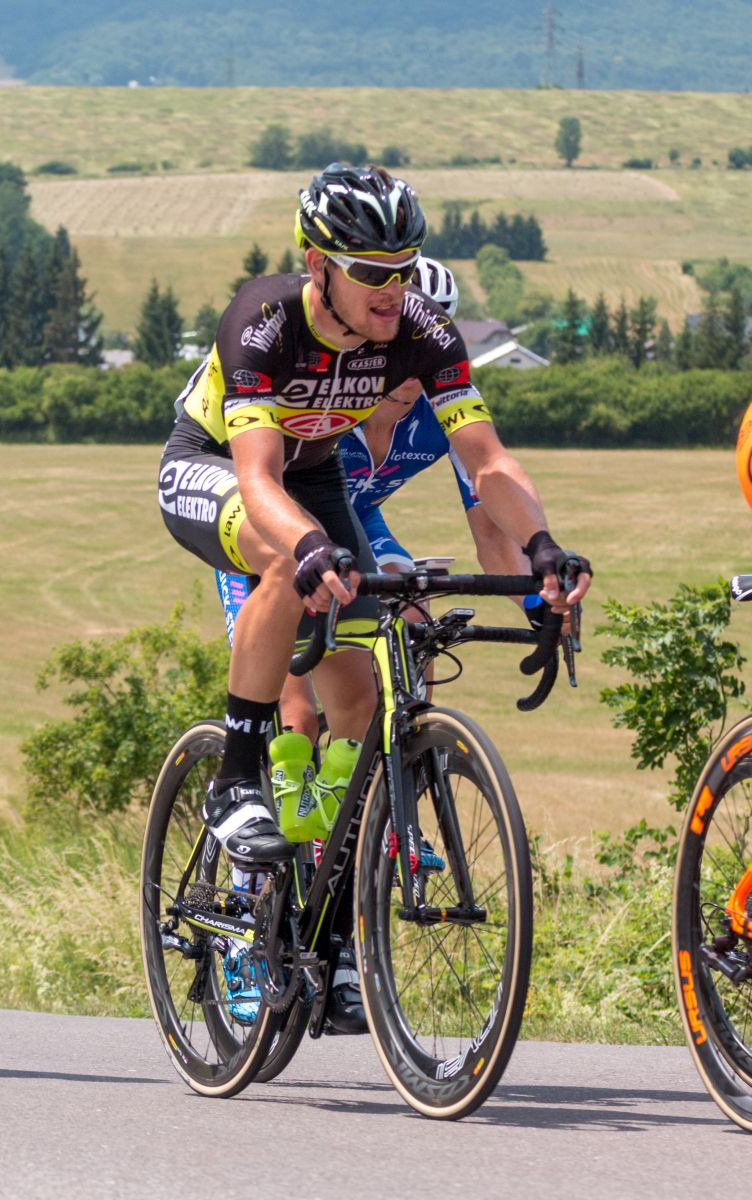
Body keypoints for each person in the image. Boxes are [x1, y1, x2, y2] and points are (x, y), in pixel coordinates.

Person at [158, 164, 591, 1025]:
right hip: (215, 469)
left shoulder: (421, 330)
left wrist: (543, 549)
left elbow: (486, 463)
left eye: (404, 267)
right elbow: (258, 477)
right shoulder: (264, 322)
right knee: (285, 569)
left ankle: (324, 920)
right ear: (318, 266)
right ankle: (235, 779)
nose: (393, 288)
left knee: (359, 698)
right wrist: (309, 547)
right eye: (372, 272)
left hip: (316, 480)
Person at [214, 255, 542, 738]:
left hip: (357, 525)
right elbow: (261, 482)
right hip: (277, 528)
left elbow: (492, 536)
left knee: (414, 615)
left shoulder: (440, 416)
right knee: (296, 711)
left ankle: (404, 759)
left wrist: (537, 602)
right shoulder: (331, 397)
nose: (407, 367)